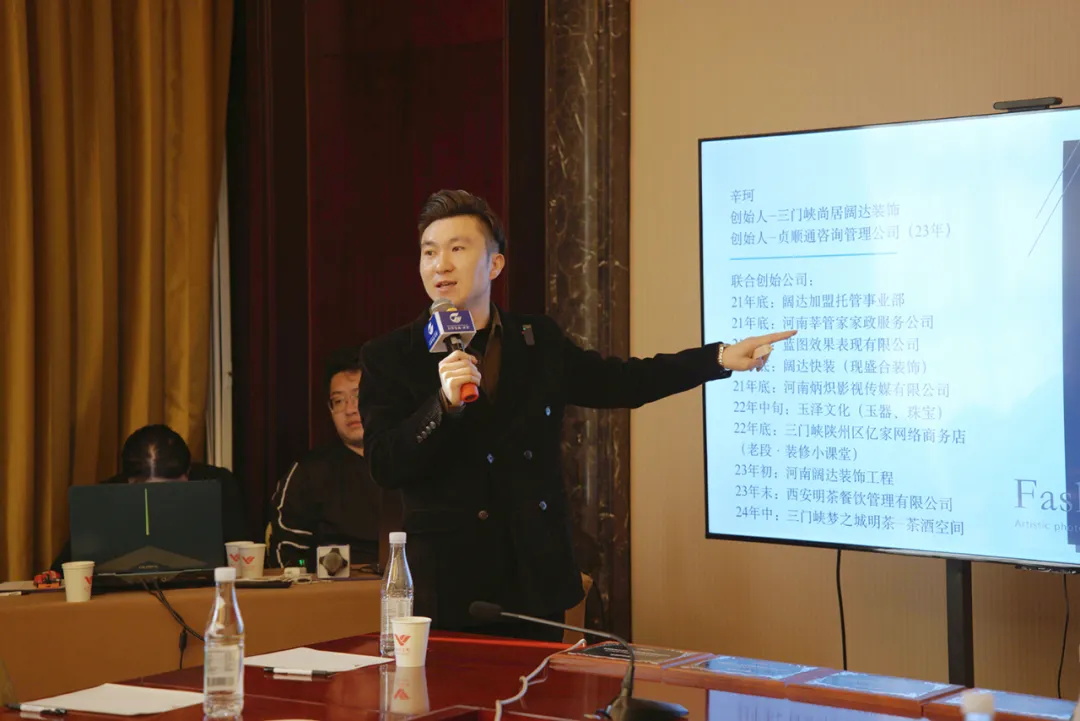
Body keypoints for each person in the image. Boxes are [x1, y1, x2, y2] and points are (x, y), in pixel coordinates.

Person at [358, 189, 795, 640]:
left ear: (495, 264)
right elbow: (385, 464)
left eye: (457, 248)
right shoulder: (390, 355)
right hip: (449, 585)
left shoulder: (537, 339)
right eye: (429, 252)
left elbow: (622, 381)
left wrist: (717, 358)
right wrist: (442, 405)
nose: (440, 265)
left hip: (533, 581)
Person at [268, 347, 399, 570]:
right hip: (335, 586)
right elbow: (287, 554)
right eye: (338, 401)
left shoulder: (412, 460)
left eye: (358, 396)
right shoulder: (310, 472)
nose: (350, 409)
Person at [51, 424, 248, 570]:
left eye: (170, 491)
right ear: (128, 481)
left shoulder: (219, 486)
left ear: (188, 472)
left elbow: (242, 555)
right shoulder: (106, 498)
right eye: (146, 491)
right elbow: (65, 568)